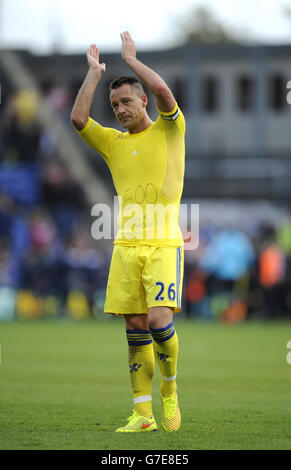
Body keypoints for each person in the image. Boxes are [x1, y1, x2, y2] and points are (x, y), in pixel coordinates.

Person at [71, 31, 186, 433]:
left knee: (159, 321)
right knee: (135, 328)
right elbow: (79, 119)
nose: (120, 109)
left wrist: (131, 60)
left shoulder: (170, 130)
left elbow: (162, 90)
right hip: (125, 247)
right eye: (114, 104)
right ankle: (142, 414)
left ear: (142, 101)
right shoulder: (114, 144)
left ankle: (169, 389)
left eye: (126, 101)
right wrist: (94, 73)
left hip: (163, 243)